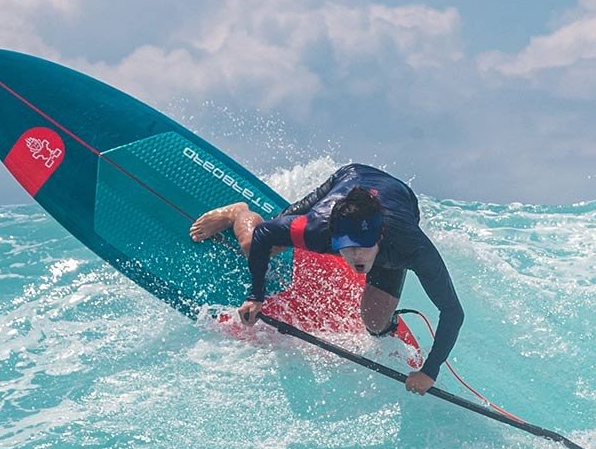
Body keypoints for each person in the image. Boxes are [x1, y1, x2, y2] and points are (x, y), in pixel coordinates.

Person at [189, 163, 464, 395]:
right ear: (335, 237)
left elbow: (452, 311)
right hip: (349, 179)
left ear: (379, 237)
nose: (355, 256)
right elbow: (263, 236)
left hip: (401, 200)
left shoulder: (411, 248)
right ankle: (237, 211)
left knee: (374, 321)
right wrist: (255, 295)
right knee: (254, 246)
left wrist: (430, 371)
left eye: (363, 247)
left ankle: (387, 322)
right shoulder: (317, 228)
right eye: (348, 247)